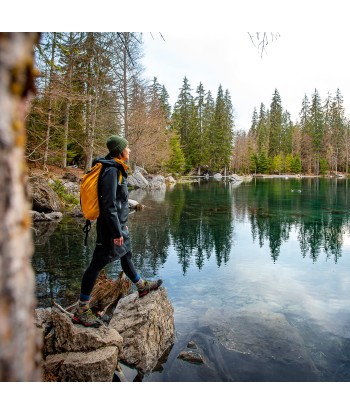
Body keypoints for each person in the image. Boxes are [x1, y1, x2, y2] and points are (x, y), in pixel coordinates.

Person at [72, 135, 162, 328]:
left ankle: (141, 286)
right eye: (127, 148)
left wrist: (123, 225)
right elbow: (109, 205)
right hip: (109, 229)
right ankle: (81, 309)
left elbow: (119, 204)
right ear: (120, 151)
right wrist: (116, 232)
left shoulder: (117, 168)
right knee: (96, 264)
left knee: (126, 255)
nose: (129, 150)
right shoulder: (111, 170)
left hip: (118, 225)